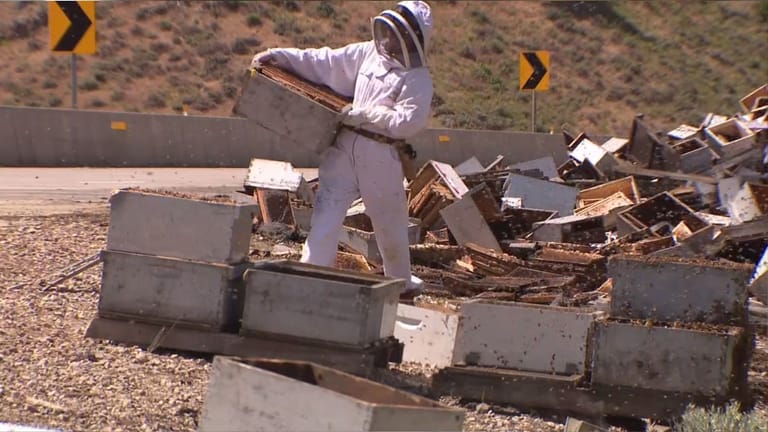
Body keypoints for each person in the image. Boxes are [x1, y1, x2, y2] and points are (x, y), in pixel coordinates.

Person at [251, 1, 433, 295]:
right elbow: (324, 62)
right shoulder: (367, 54)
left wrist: (366, 114)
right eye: (387, 30)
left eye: (396, 33)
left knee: (389, 222)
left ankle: (400, 282)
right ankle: (311, 274)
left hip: (380, 152)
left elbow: (407, 122)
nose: (388, 39)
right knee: (327, 212)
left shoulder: (418, 78)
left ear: (412, 37)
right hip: (344, 146)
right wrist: (280, 56)